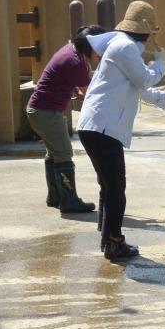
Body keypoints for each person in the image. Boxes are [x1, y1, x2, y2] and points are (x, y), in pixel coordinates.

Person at [77, 1, 165, 261]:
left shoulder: (123, 48)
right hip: (103, 127)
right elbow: (145, 78)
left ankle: (108, 239)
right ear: (147, 32)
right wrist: (160, 63)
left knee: (109, 186)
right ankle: (114, 242)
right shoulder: (125, 47)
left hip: (97, 125)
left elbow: (140, 88)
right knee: (116, 188)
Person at [27, 24, 106, 213]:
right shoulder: (75, 61)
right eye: (99, 48)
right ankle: (69, 202)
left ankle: (55, 197)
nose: (101, 52)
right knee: (64, 154)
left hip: (38, 111)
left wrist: (77, 90)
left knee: (54, 153)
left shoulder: (70, 50)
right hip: (47, 113)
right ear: (89, 46)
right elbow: (91, 93)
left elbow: (69, 81)